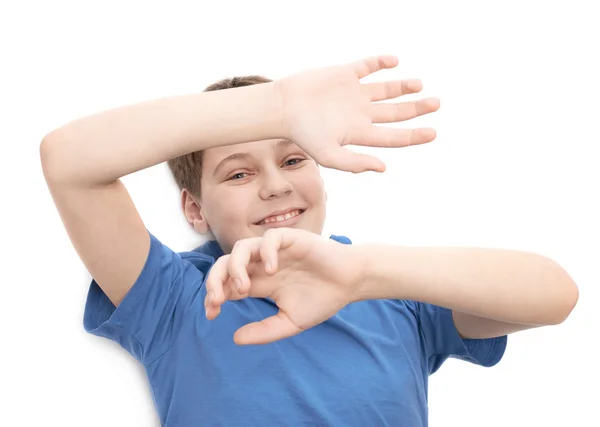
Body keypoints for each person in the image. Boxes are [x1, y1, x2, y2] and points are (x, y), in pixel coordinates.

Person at [40, 55, 578, 426]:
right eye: (238, 174)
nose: (277, 185)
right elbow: (68, 161)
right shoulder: (174, 299)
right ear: (194, 209)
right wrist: (275, 105)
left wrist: (363, 273)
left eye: (293, 159)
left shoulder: (387, 287)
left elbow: (555, 294)